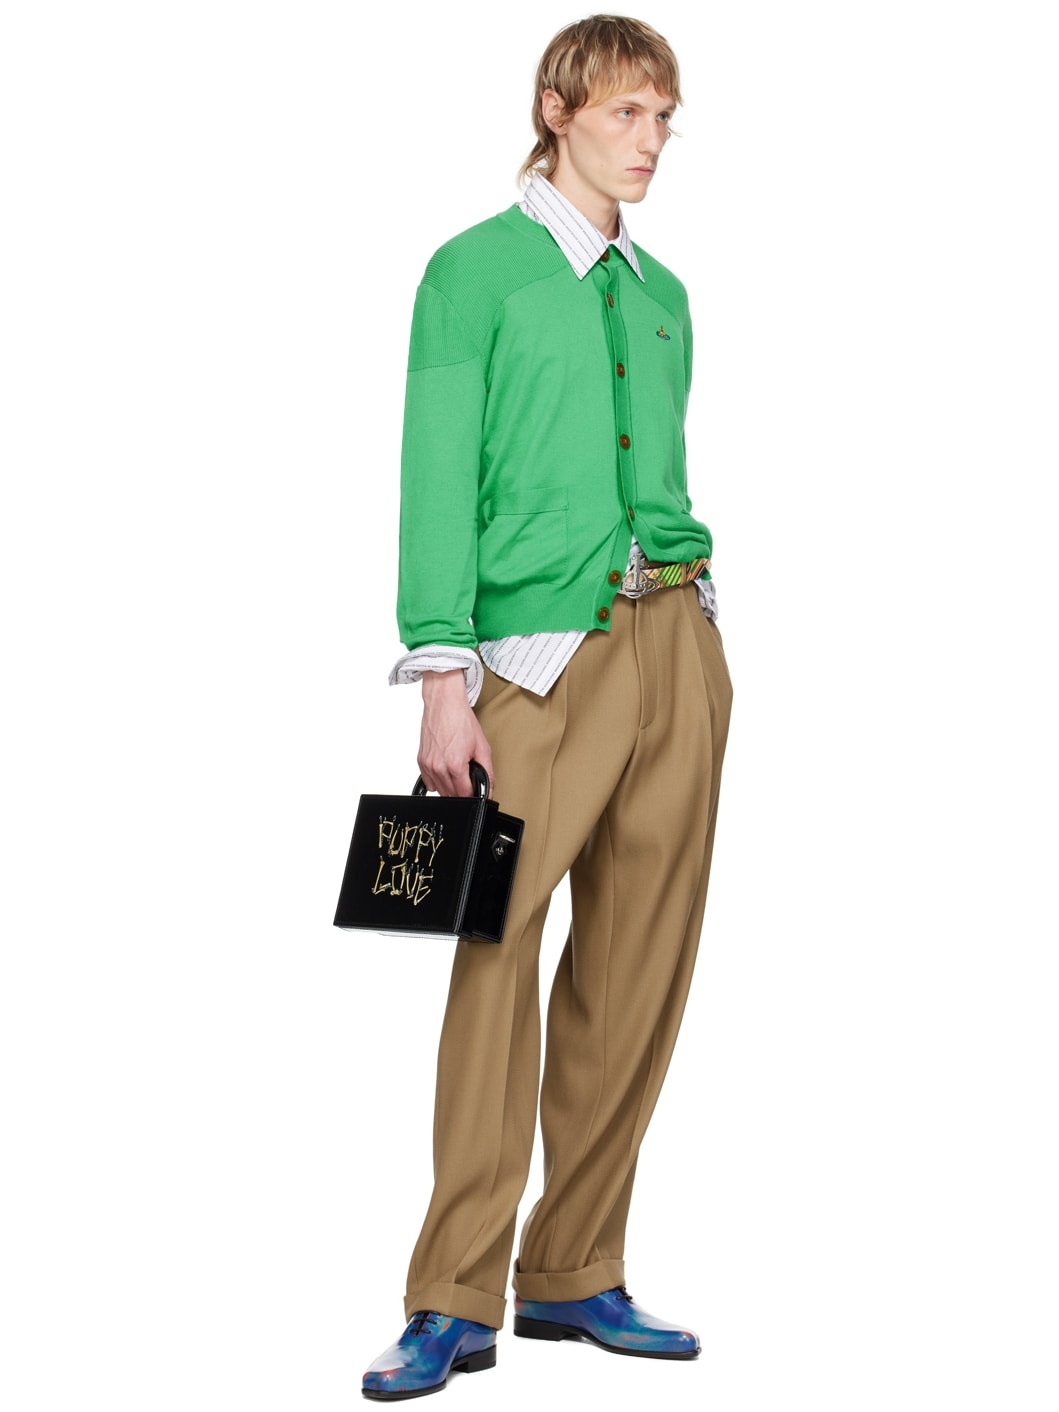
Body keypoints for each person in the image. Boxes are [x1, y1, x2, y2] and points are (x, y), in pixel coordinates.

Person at [362, 14, 733, 1401]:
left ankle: (576, 1268)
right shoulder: (473, 275)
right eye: (629, 112)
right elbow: (435, 477)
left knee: (639, 968)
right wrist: (440, 674)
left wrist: (702, 636)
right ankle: (452, 1294)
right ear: (557, 107)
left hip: (673, 647)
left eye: (665, 119)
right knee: (492, 957)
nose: (652, 142)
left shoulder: (663, 294)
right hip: (527, 667)